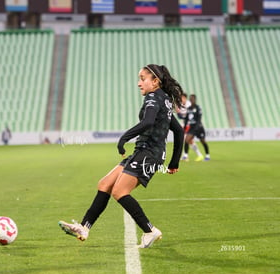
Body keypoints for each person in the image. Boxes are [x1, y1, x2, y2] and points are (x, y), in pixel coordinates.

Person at [58, 64, 184, 248]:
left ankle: (150, 230)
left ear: (155, 81)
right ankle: (84, 227)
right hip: (145, 152)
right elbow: (179, 131)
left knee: (119, 192)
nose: (139, 83)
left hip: (149, 154)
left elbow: (148, 122)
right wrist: (173, 162)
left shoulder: (153, 98)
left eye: (143, 78)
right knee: (105, 184)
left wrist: (124, 137)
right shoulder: (163, 99)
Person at [180, 94, 210, 161]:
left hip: (199, 128)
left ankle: (207, 155)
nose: (191, 100)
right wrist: (185, 127)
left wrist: (197, 127)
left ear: (195, 100)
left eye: (192, 99)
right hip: (192, 128)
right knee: (187, 140)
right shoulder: (189, 109)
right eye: (190, 99)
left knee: (203, 141)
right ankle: (185, 155)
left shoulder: (198, 108)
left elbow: (199, 119)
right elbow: (187, 119)